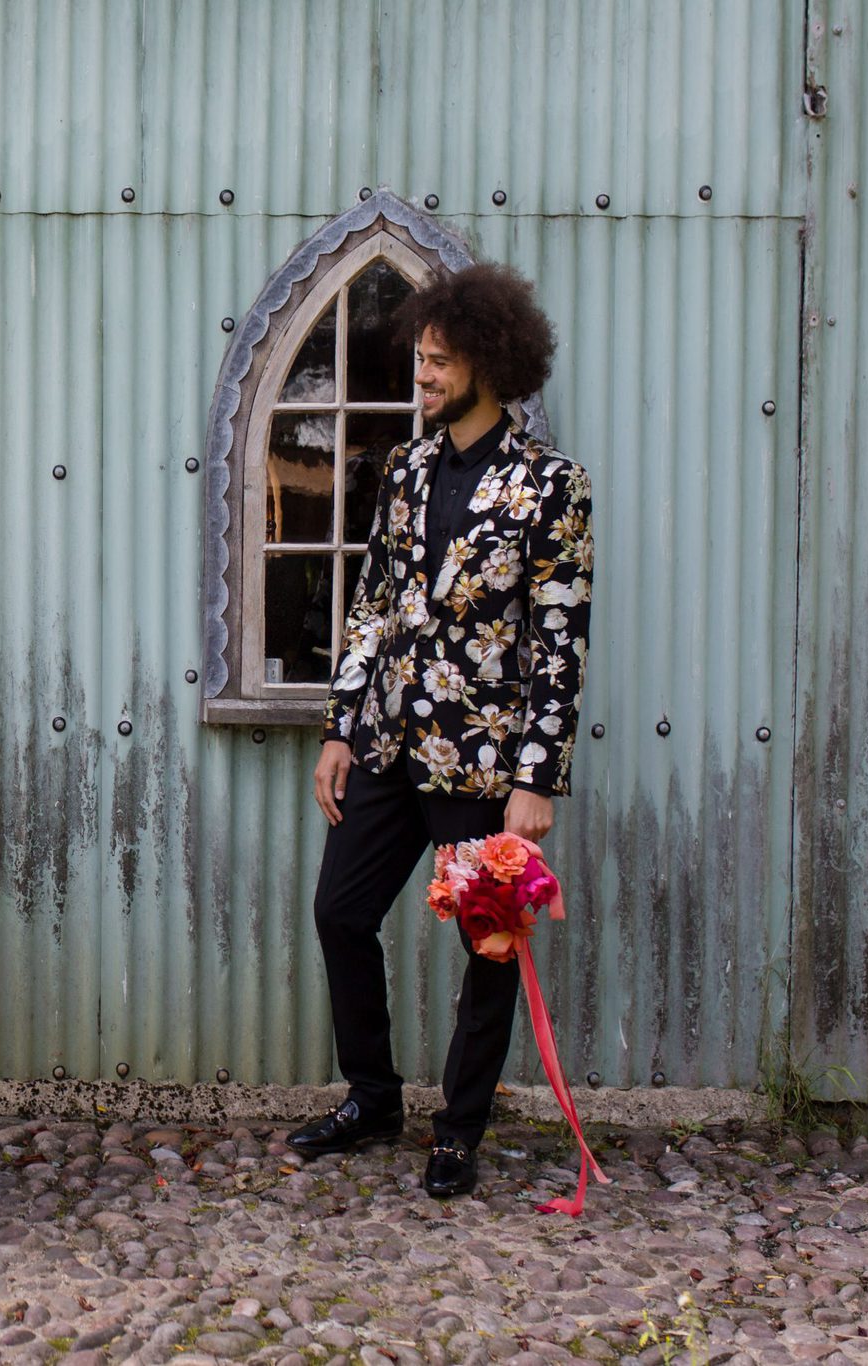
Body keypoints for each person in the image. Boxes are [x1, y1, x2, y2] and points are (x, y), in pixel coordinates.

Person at [285, 264, 594, 1199]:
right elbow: (372, 605)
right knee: (340, 912)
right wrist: (341, 725)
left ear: (491, 362)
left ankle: (459, 1129)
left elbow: (560, 641)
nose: (421, 374)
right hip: (385, 747)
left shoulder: (551, 487)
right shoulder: (406, 470)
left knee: (488, 948)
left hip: (485, 765)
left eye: (439, 361)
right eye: (418, 356)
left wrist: (535, 778)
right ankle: (372, 1097)